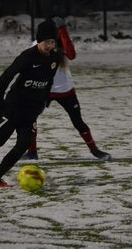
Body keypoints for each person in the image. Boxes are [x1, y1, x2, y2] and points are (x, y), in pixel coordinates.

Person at [0, 19, 62, 187]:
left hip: (30, 111)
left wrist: (44, 101)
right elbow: (5, 77)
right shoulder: (27, 57)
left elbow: (49, 80)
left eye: (52, 42)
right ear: (39, 40)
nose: (50, 46)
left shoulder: (55, 57)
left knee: (24, 143)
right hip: (14, 106)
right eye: (47, 42)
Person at [22, 16, 112, 161]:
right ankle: (32, 152)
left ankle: (95, 151)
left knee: (78, 122)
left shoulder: (62, 43)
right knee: (29, 119)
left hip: (65, 90)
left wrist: (64, 32)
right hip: (44, 90)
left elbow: (71, 55)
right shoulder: (37, 44)